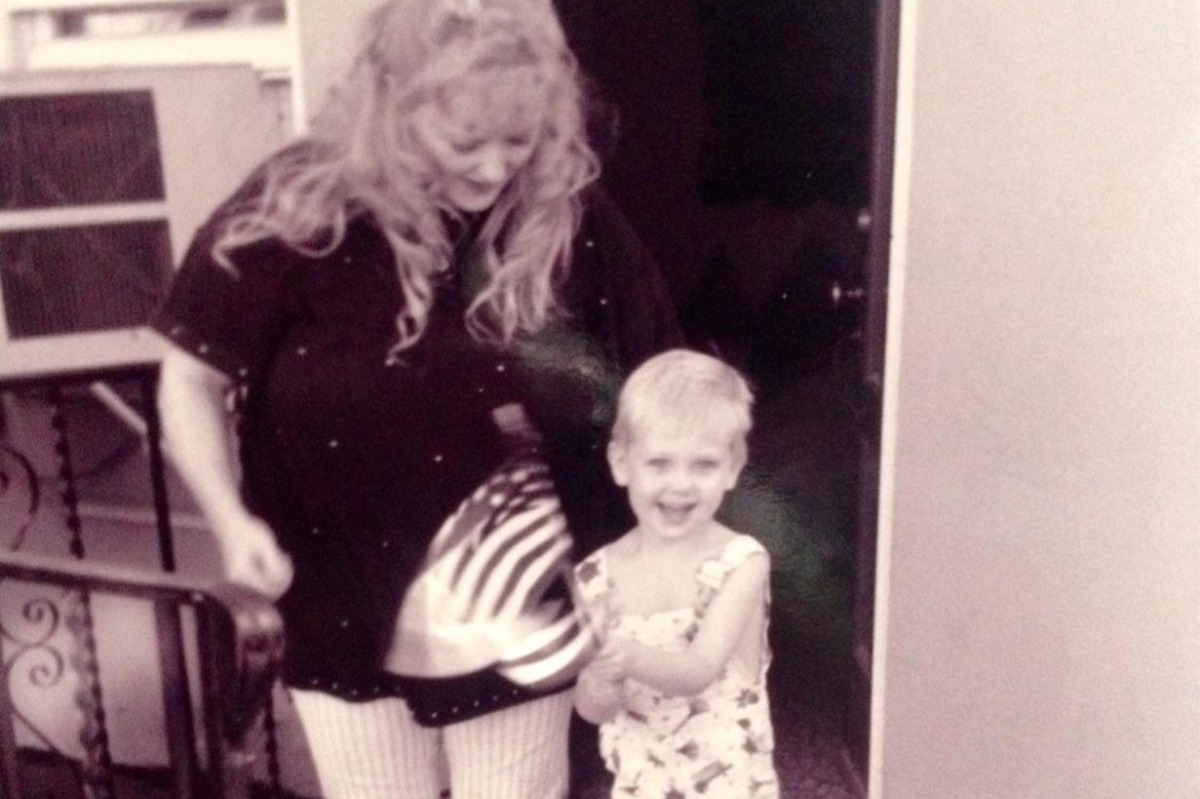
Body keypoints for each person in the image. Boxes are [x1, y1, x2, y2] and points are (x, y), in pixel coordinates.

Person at [151, 0, 680, 795]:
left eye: (518, 139)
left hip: (525, 598)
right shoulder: (297, 204)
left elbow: (659, 388)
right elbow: (190, 378)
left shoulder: (570, 216)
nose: (495, 168)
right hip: (335, 594)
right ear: (394, 106)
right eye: (465, 141)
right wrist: (230, 521)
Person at [573, 348, 780, 798]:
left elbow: (697, 671)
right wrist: (599, 683)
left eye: (704, 464)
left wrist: (626, 656)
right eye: (659, 463)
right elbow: (592, 710)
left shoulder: (740, 563)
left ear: (733, 469)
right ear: (621, 463)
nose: (681, 484)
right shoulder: (594, 577)